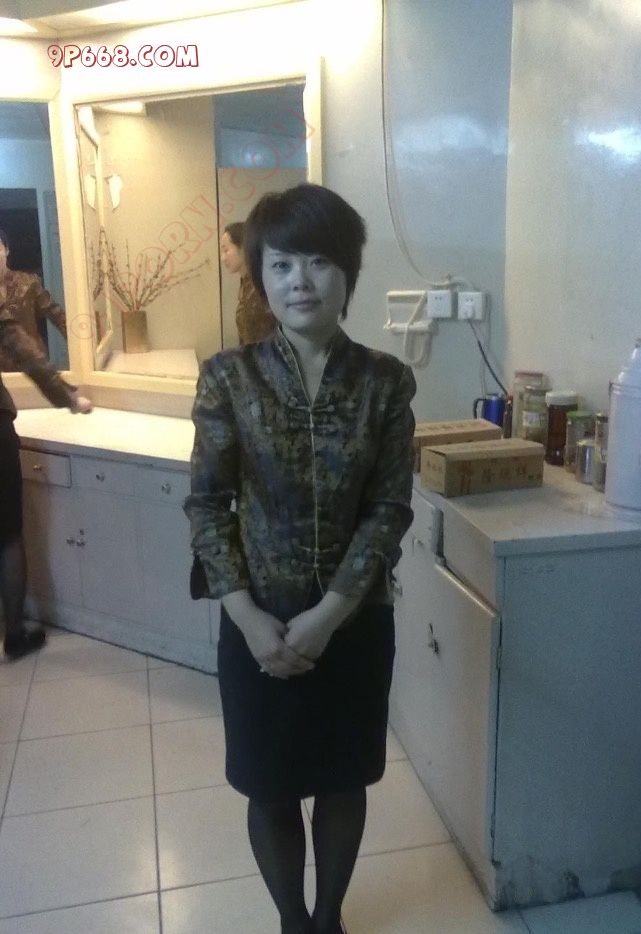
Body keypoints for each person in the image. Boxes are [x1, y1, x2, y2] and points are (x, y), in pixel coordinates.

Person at [186, 184, 416, 934]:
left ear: (348, 272)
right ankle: (292, 921)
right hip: (258, 622)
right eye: (282, 264)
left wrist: (328, 617)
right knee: (272, 785)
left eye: (319, 262)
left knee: (344, 781)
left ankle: (329, 917)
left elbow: (388, 510)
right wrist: (249, 619)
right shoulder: (230, 377)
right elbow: (207, 504)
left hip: (354, 621)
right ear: (261, 276)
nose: (300, 282)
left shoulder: (385, 381)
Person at [0, 227, 92, 660]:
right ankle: (15, 634)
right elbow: (26, 354)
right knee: (7, 535)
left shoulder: (27, 283)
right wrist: (69, 398)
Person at [220, 220, 276, 345]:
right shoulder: (247, 283)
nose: (223, 258)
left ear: (244, 248)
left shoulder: (259, 287)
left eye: (226, 250)